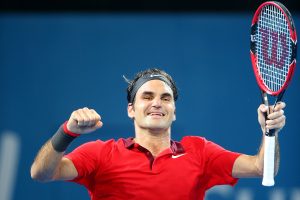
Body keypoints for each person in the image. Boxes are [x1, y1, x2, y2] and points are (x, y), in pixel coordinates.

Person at [31, 68, 286, 200]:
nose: (157, 103)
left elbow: (261, 168)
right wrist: (67, 132)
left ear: (174, 111)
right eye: (147, 96)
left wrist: (269, 132)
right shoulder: (100, 154)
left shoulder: (200, 152)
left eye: (166, 98)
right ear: (131, 109)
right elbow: (42, 173)